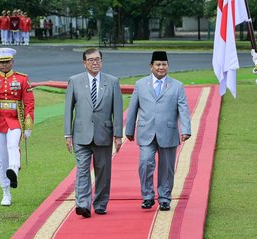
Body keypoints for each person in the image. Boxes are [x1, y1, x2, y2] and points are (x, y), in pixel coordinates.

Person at [125, 51, 191, 211]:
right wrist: (129, 129)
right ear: (151, 66)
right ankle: (147, 196)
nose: (161, 67)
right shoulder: (141, 84)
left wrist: (186, 129)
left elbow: (183, 108)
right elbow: (133, 107)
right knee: (145, 164)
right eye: (158, 64)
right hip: (146, 132)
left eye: (164, 64)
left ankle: (164, 198)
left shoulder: (177, 86)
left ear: (168, 66)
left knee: (167, 168)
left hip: (168, 132)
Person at [64, 48, 123, 218]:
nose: (95, 62)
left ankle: (100, 203)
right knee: (82, 170)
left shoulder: (112, 82)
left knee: (103, 171)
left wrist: (118, 135)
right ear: (84, 63)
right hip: (81, 134)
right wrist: (67, 134)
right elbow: (68, 109)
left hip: (104, 133)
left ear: (102, 61)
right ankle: (83, 204)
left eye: (97, 59)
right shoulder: (75, 81)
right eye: (90, 60)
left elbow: (117, 111)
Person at [0, 48, 35, 206]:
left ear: (12, 62)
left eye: (7, 62)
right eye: (1, 62)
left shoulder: (22, 79)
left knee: (13, 145)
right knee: (1, 157)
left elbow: (29, 102)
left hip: (15, 119)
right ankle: (6, 192)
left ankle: (13, 169)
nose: (4, 65)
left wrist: (28, 124)